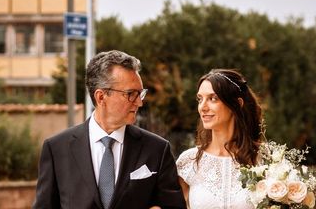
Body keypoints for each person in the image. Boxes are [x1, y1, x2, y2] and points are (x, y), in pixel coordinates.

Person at [33, 50, 187, 209]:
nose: (139, 103)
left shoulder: (158, 150)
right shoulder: (56, 149)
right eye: (131, 94)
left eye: (140, 94)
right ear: (101, 97)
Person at [176, 69, 263, 209]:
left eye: (213, 98)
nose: (202, 107)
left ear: (237, 104)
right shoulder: (188, 162)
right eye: (200, 99)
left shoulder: (264, 160)